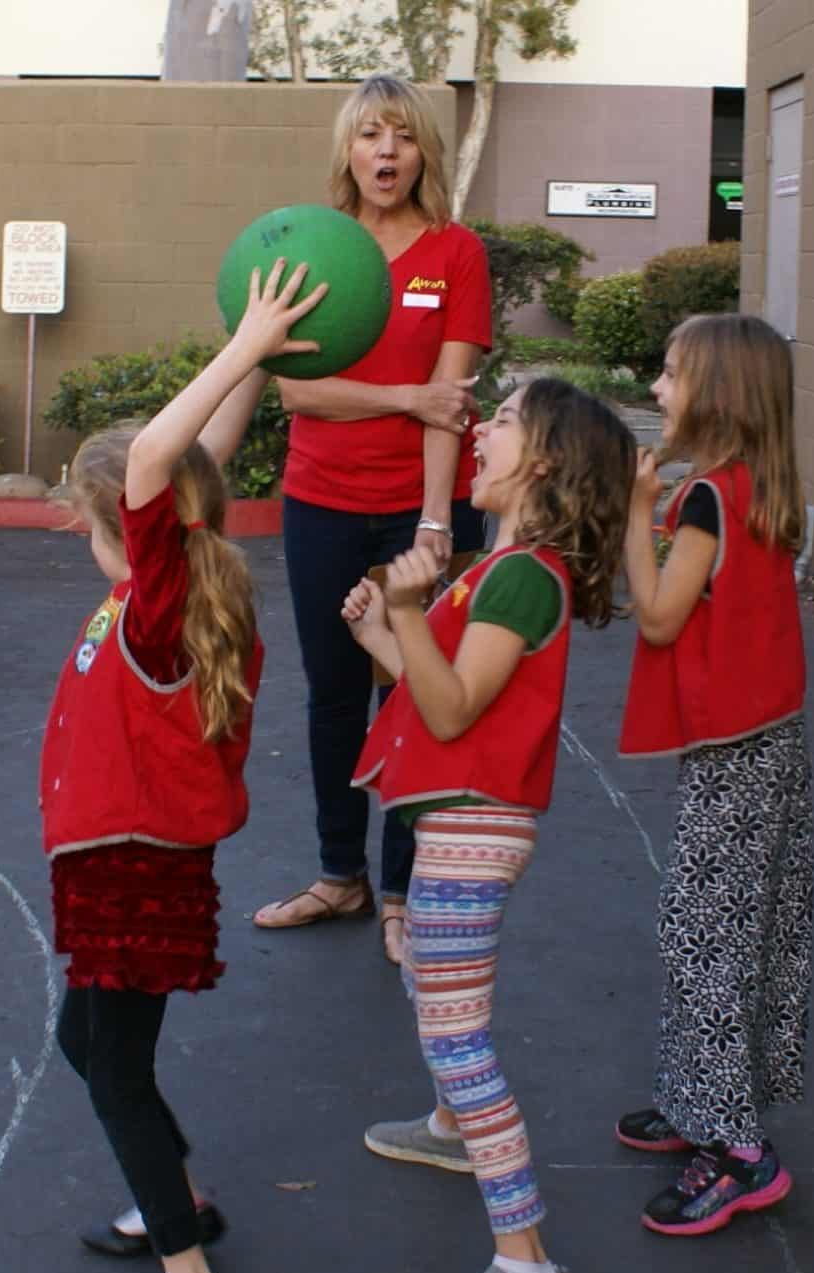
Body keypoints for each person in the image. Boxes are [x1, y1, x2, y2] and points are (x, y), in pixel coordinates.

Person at [45, 262, 318, 1273]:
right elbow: (192, 462)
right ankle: (178, 1196)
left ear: (118, 520)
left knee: (112, 1069)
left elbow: (162, 461)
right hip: (123, 863)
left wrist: (244, 344)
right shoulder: (167, 587)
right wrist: (252, 370)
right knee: (89, 1044)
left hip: (131, 865)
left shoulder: (159, 613)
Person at [343, 377, 634, 1273]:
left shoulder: (521, 577)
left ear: (543, 461)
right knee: (428, 984)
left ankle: (526, 1263)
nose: (480, 432)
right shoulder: (496, 569)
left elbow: (454, 710)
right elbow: (439, 690)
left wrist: (408, 613)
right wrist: (383, 629)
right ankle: (448, 1128)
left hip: (476, 830)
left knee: (459, 1041)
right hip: (457, 822)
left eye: (502, 421)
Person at [252, 74, 492, 967]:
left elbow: (451, 404)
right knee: (333, 693)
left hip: (422, 511)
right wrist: (403, 396)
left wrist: (434, 523)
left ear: (424, 152)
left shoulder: (456, 253)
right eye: (369, 135)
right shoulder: (318, 250)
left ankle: (401, 893)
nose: (386, 151)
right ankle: (339, 875)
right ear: (347, 150)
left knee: (411, 693)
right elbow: (296, 392)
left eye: (403, 135)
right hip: (321, 500)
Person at [613, 314, 814, 1236]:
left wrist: (634, 510)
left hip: (735, 755)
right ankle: (699, 1099)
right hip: (771, 744)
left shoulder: (706, 500)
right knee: (745, 929)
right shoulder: (762, 486)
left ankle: (738, 1146)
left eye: (670, 373)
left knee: (701, 934)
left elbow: (657, 616)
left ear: (719, 394)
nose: (658, 389)